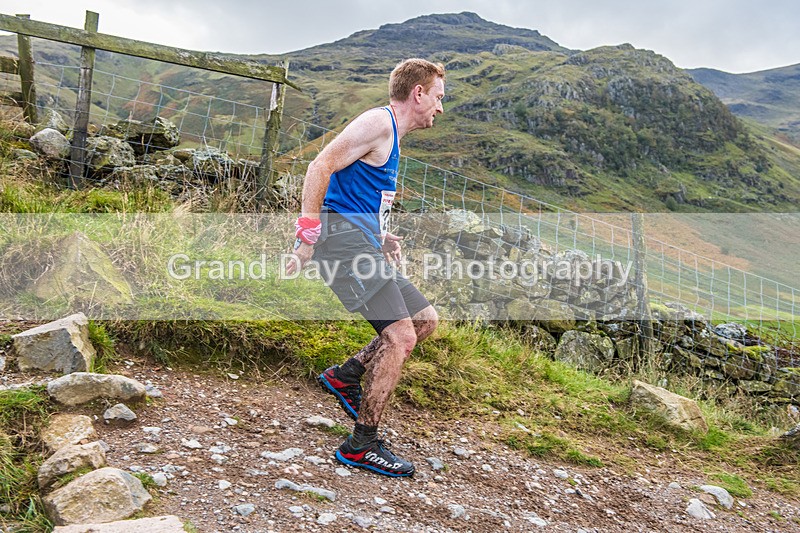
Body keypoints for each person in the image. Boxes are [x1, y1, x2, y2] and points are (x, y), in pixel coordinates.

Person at [286, 58, 445, 477]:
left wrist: (378, 235)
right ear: (419, 93)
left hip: (360, 241)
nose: (440, 109)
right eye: (439, 97)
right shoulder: (378, 122)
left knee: (425, 320)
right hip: (340, 243)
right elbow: (320, 165)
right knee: (400, 338)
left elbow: (357, 192)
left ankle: (346, 375)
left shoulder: (392, 135)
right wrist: (307, 235)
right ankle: (362, 444)